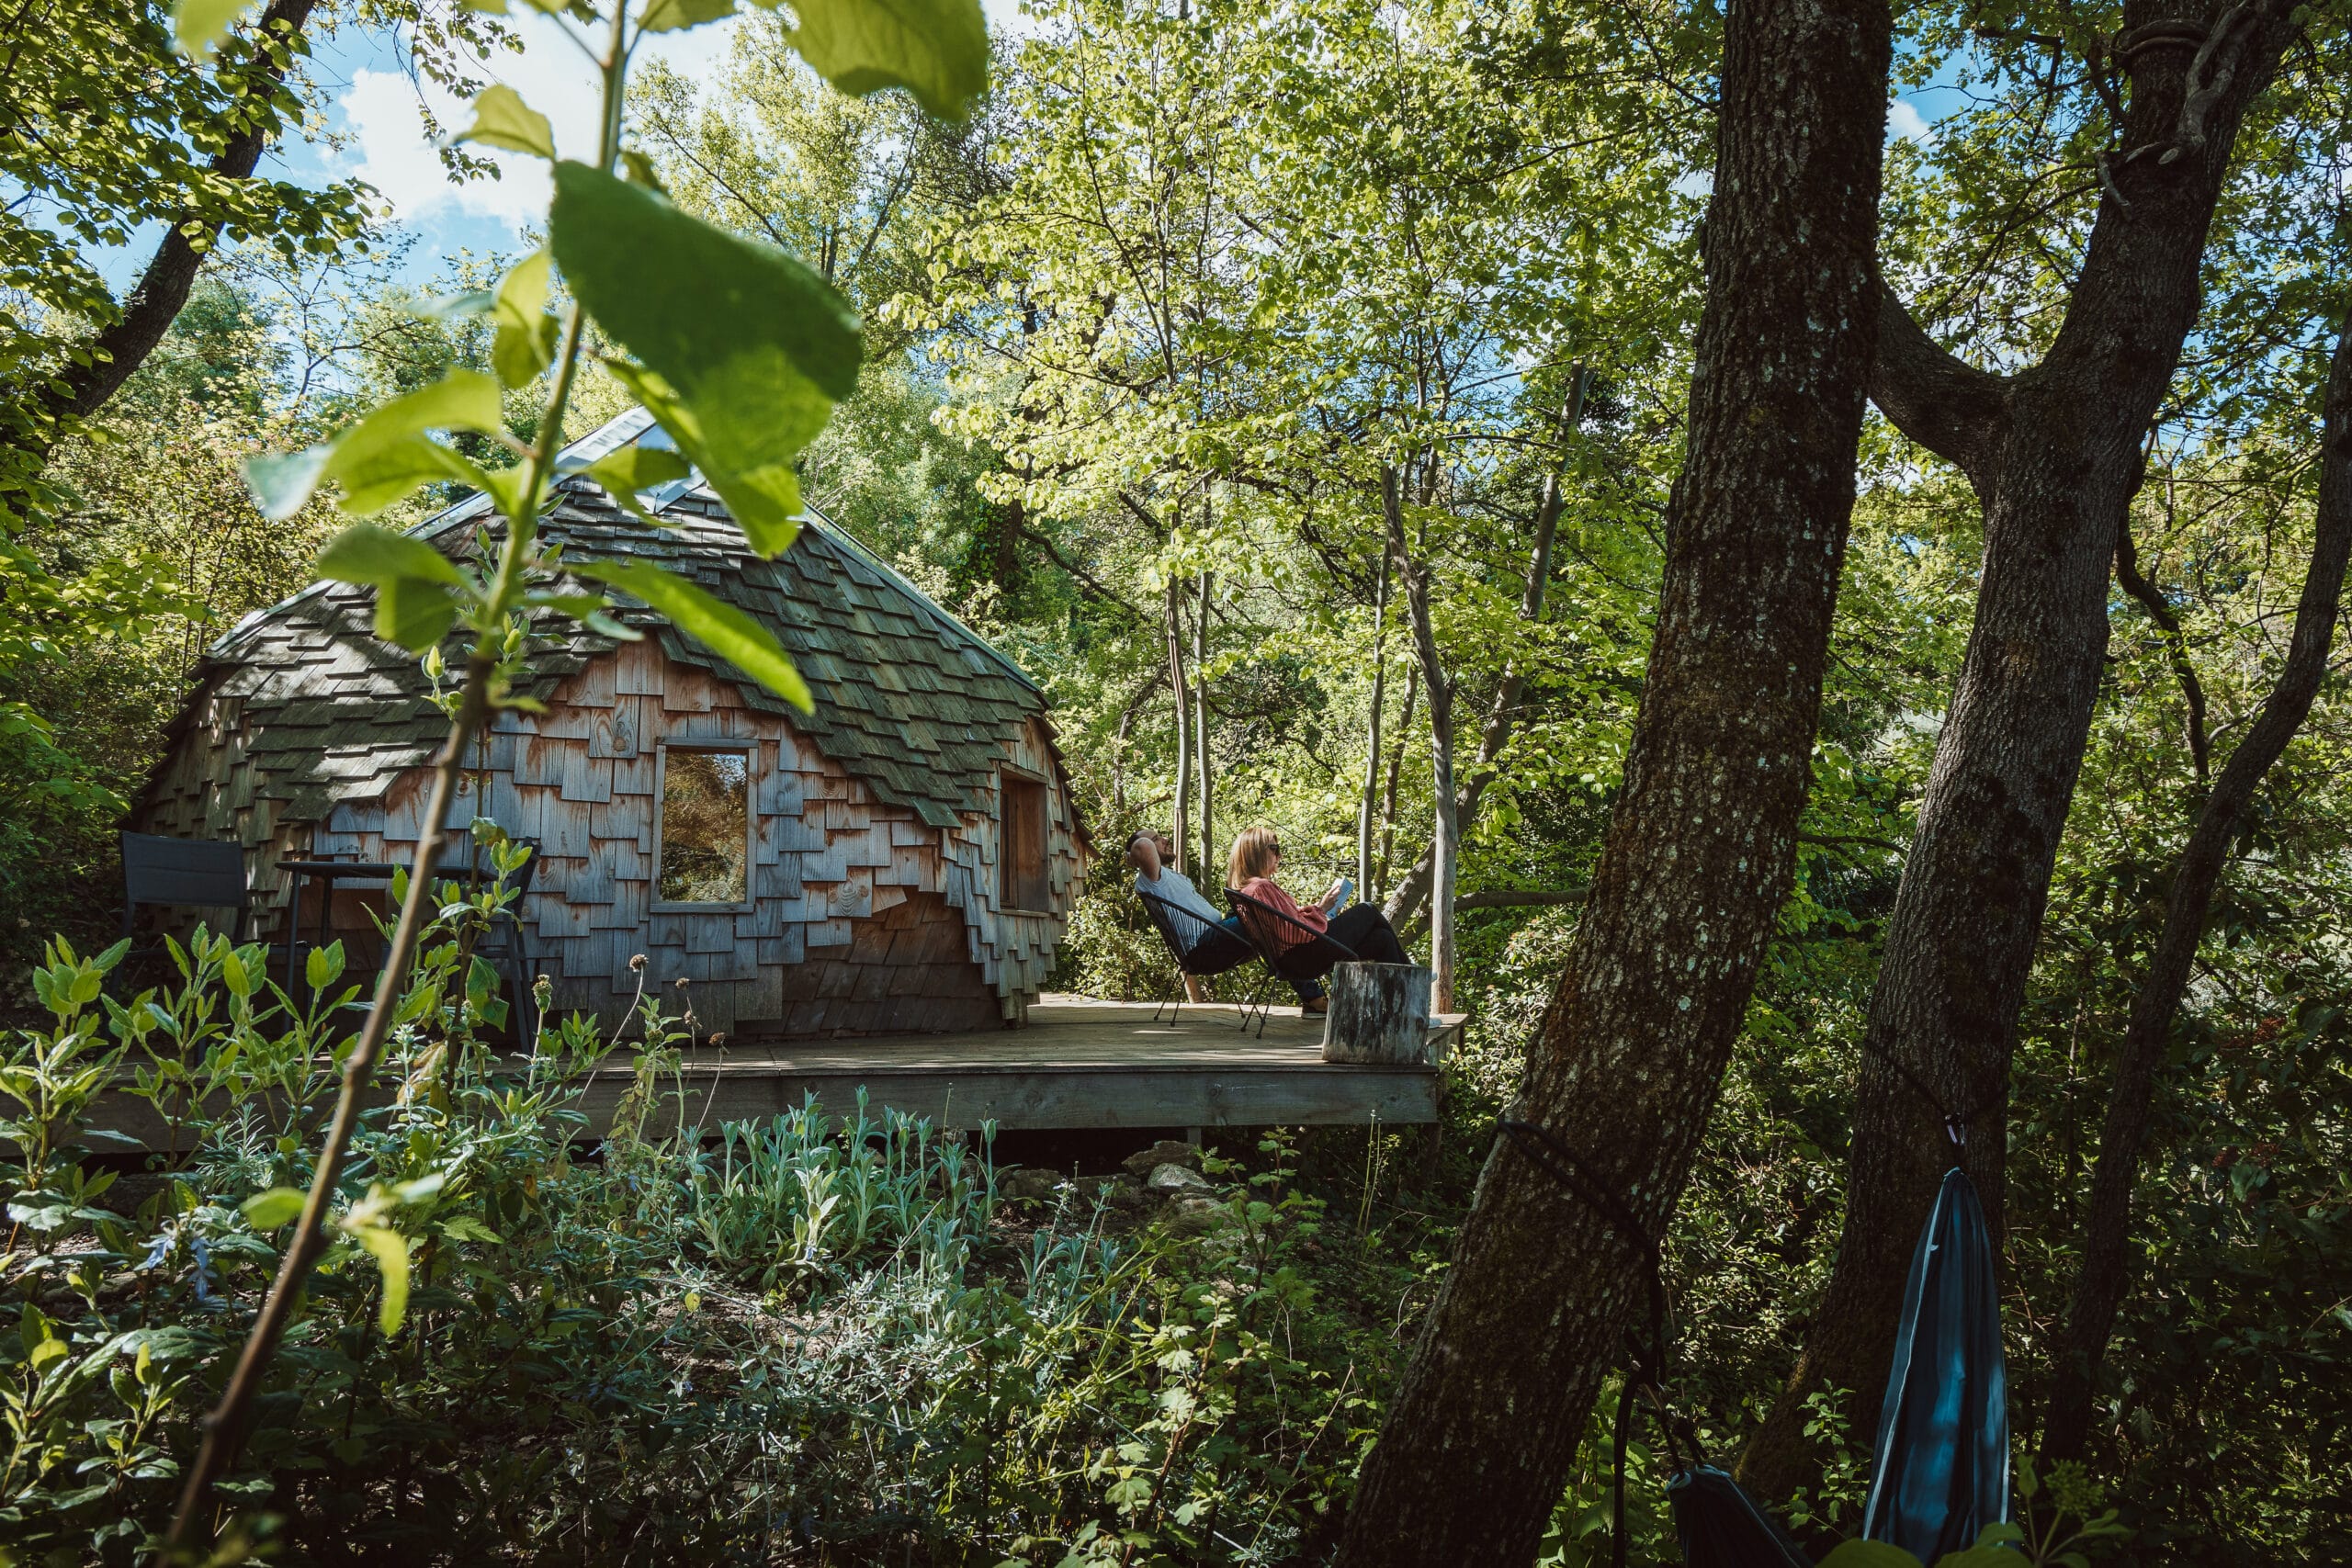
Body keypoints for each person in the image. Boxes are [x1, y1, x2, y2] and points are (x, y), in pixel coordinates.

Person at [1226, 826, 1410, 1012]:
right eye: (1275, 849)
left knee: (1382, 938)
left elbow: (1286, 923)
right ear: (1256, 853)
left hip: (1293, 958)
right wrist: (1321, 910)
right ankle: (1412, 977)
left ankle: (1401, 1009)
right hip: (1302, 958)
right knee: (1368, 910)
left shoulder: (1247, 889)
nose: (1279, 856)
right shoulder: (1261, 887)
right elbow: (1294, 932)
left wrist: (1319, 909)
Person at [1126, 829, 1320, 1007]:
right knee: (1269, 920)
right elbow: (1141, 845)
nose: (1166, 839)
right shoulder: (1151, 879)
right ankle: (1313, 996)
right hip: (1204, 948)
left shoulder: (1164, 875)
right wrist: (1131, 855)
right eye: (1157, 839)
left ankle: (1301, 920)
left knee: (1270, 914)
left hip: (1217, 933)